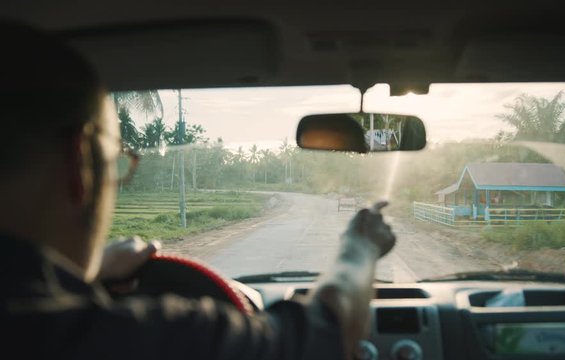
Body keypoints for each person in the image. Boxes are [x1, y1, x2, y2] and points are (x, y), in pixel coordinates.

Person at [0, 21, 396, 359]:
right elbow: (327, 332)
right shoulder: (137, 339)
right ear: (79, 164)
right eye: (114, 160)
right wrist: (361, 244)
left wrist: (81, 272)